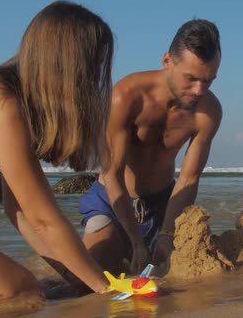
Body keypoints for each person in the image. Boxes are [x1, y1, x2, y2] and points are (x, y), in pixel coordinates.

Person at [0, 0, 114, 311]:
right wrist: (107, 290)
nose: (94, 82)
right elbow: (43, 221)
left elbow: (22, 214)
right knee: (20, 289)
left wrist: (76, 278)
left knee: (27, 289)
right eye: (93, 68)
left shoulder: (14, 104)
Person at [78, 19, 222, 275]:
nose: (199, 90)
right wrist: (135, 240)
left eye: (208, 80)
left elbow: (188, 179)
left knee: (169, 282)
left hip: (163, 208)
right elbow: (112, 174)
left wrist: (166, 232)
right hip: (111, 201)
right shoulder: (127, 96)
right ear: (167, 61)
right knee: (90, 275)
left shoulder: (208, 111)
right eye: (191, 78)